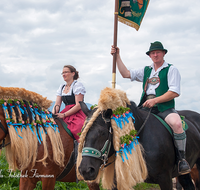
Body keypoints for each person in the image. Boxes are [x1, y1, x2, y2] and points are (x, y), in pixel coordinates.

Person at [111, 41, 191, 175]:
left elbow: (174, 92)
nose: (155, 55)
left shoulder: (171, 69)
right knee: (125, 124)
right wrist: (117, 56)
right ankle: (125, 160)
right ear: (149, 56)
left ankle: (182, 160)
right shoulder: (146, 70)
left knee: (176, 124)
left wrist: (156, 100)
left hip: (164, 108)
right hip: (146, 107)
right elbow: (125, 73)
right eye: (153, 53)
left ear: (163, 53)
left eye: (158, 52)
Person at [52, 65, 86, 141]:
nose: (63, 74)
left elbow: (78, 105)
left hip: (77, 113)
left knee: (78, 127)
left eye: (66, 72)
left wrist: (64, 114)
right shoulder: (61, 87)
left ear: (73, 73)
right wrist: (53, 114)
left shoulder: (77, 85)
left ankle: (79, 147)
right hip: (65, 111)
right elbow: (57, 104)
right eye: (62, 73)